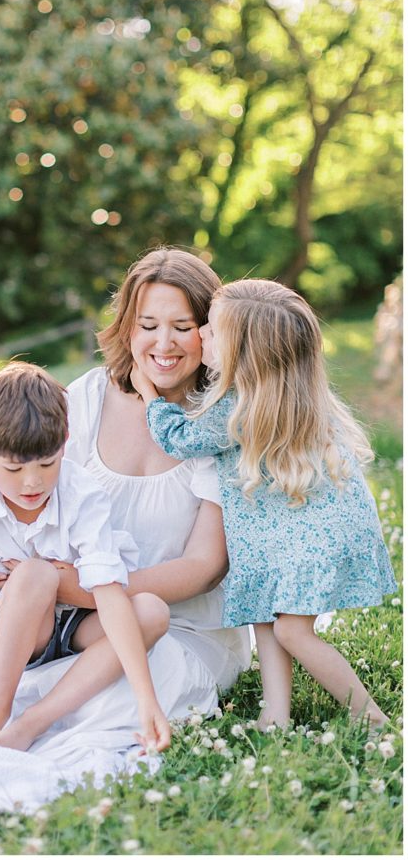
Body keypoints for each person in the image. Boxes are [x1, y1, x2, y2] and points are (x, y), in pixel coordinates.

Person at [0, 248, 251, 750]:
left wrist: (76, 590)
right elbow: (9, 498)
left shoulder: (225, 423)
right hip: (56, 609)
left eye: (183, 325)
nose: (164, 343)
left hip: (175, 620)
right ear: (128, 328)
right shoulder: (85, 398)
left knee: (123, 700)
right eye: (148, 324)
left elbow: (205, 566)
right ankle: (4, 717)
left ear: (212, 330)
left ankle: (29, 725)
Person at [132, 278, 397, 731]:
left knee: (293, 630)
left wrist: (150, 395)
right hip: (298, 535)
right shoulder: (291, 393)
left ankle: (369, 717)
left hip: (299, 544)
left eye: (212, 332)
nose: (200, 335)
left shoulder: (235, 410)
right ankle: (274, 714)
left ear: (241, 353)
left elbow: (179, 439)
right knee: (265, 616)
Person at [0, 361, 172, 752]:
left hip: (75, 625)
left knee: (152, 610)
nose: (32, 481)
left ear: (65, 442)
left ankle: (31, 723)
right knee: (36, 574)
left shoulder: (82, 494)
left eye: (47, 464)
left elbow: (107, 589)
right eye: (14, 469)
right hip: (17, 629)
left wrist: (146, 698)